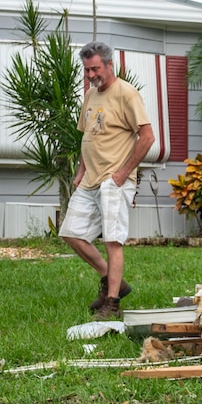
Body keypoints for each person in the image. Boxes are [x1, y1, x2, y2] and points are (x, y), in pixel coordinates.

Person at [60, 41, 154, 319]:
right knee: (70, 233)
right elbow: (88, 136)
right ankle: (111, 279)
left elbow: (147, 137)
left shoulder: (127, 94)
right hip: (90, 177)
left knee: (113, 241)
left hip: (114, 180)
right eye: (87, 70)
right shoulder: (91, 95)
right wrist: (80, 170)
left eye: (95, 69)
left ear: (110, 65)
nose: (90, 75)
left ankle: (112, 302)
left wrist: (123, 173)